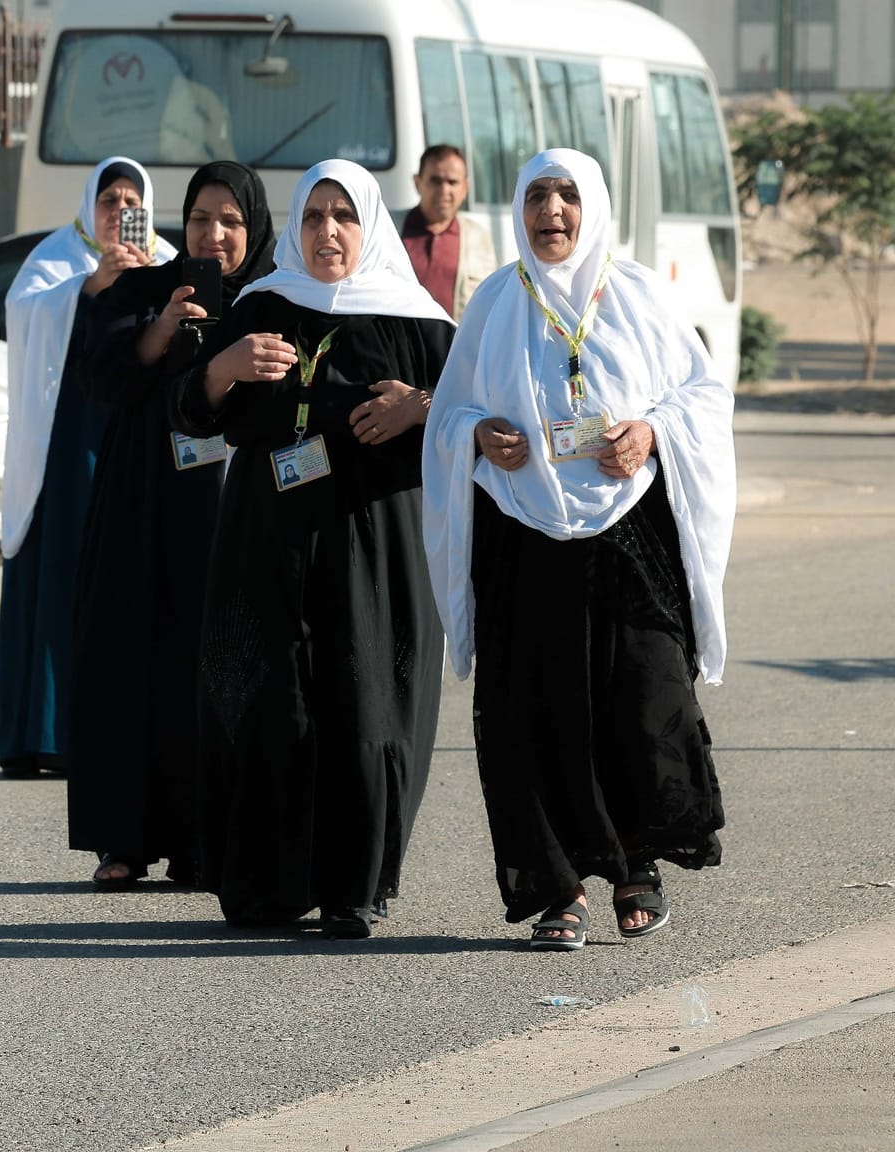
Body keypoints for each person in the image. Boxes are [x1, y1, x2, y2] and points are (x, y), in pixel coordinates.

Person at [423, 149, 733, 951]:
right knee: (533, 708)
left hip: (627, 529)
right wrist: (479, 435)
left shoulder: (636, 293)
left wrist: (653, 432)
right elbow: (448, 415)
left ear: (591, 204)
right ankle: (558, 886)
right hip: (522, 531)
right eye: (536, 196)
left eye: (566, 196)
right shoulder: (495, 302)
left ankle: (637, 866)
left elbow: (699, 393)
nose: (551, 212)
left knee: (641, 693)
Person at [170, 160, 455, 939]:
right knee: (269, 699)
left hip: (375, 540)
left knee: (365, 699)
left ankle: (353, 888)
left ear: (369, 226)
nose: (327, 231)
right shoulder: (265, 304)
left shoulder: (419, 323)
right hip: (268, 536)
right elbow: (188, 412)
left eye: (344, 217)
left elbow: (477, 417)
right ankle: (265, 884)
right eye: (313, 216)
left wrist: (421, 407)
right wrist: (225, 369)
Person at [69, 161, 275, 888]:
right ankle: (122, 838)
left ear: (253, 228)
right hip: (143, 499)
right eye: (198, 220)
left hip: (235, 507)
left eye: (230, 221)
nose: (213, 235)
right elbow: (104, 381)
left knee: (216, 665)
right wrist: (162, 326)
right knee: (131, 657)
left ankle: (203, 841)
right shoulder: (141, 286)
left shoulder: (279, 296)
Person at [0, 157, 175, 778]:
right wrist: (93, 285)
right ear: (89, 205)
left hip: (135, 431)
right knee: (66, 567)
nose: (120, 212)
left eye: (131, 201)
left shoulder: (163, 257)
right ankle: (46, 731)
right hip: (71, 439)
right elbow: (26, 314)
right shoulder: (57, 257)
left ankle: (125, 728)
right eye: (109, 200)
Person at [402, 145, 497, 320]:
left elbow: (492, 303)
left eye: (452, 182)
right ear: (417, 183)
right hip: (400, 344)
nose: (444, 190)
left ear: (465, 188)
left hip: (457, 345)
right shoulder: (391, 229)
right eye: (435, 181)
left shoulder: (478, 238)